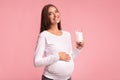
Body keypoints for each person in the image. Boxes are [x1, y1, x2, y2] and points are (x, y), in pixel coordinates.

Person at [34, 4, 84, 80]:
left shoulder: (67, 34)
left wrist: (78, 49)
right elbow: (36, 62)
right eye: (50, 14)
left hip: (68, 78)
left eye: (56, 11)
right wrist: (57, 56)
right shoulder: (44, 35)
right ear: (46, 18)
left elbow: (70, 58)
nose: (55, 15)